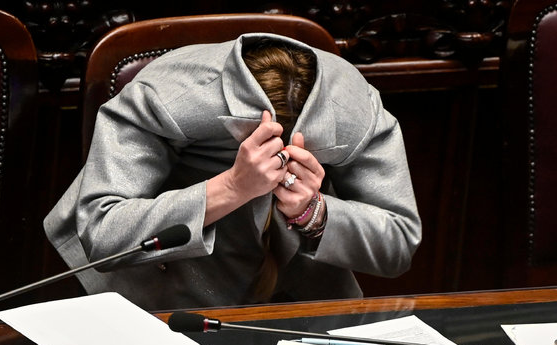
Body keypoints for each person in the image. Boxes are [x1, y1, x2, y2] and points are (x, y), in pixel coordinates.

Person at [44, 33, 422, 311]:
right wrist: (230, 188)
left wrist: (315, 212)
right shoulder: (165, 96)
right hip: (161, 305)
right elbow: (101, 231)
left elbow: (399, 244)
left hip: (303, 309)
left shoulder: (357, 110)